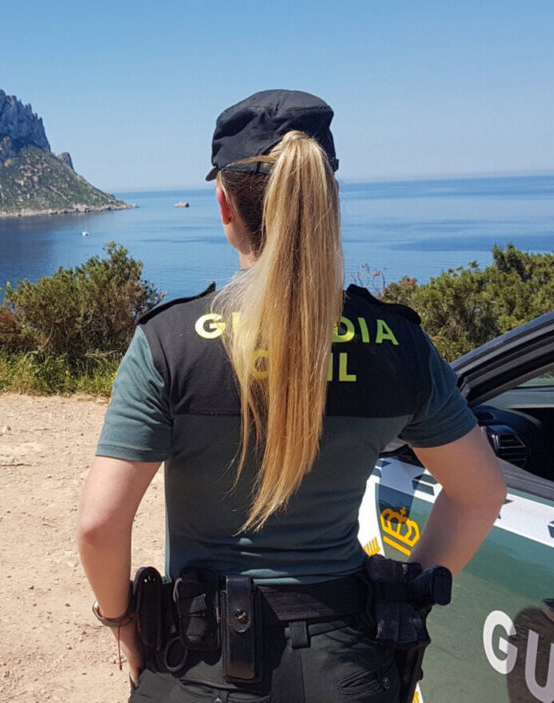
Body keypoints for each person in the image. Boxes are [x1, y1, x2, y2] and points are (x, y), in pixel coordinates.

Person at [78, 89, 506, 702]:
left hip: (200, 662)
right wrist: (409, 596)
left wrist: (122, 623)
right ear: (323, 201)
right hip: (349, 663)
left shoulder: (169, 341)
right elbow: (481, 492)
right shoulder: (397, 343)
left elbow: (99, 526)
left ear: (225, 206)